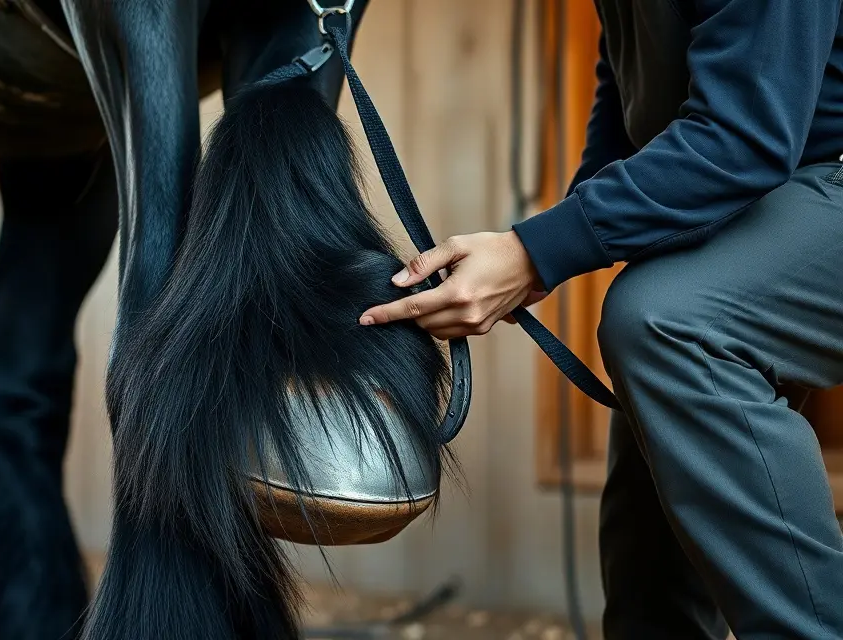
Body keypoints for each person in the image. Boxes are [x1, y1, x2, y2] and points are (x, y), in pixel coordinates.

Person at [360, 1, 843, 637]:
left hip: (816, 174)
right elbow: (631, 89)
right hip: (773, 187)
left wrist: (536, 253)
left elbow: (745, 137)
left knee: (665, 319)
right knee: (650, 525)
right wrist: (543, 248)